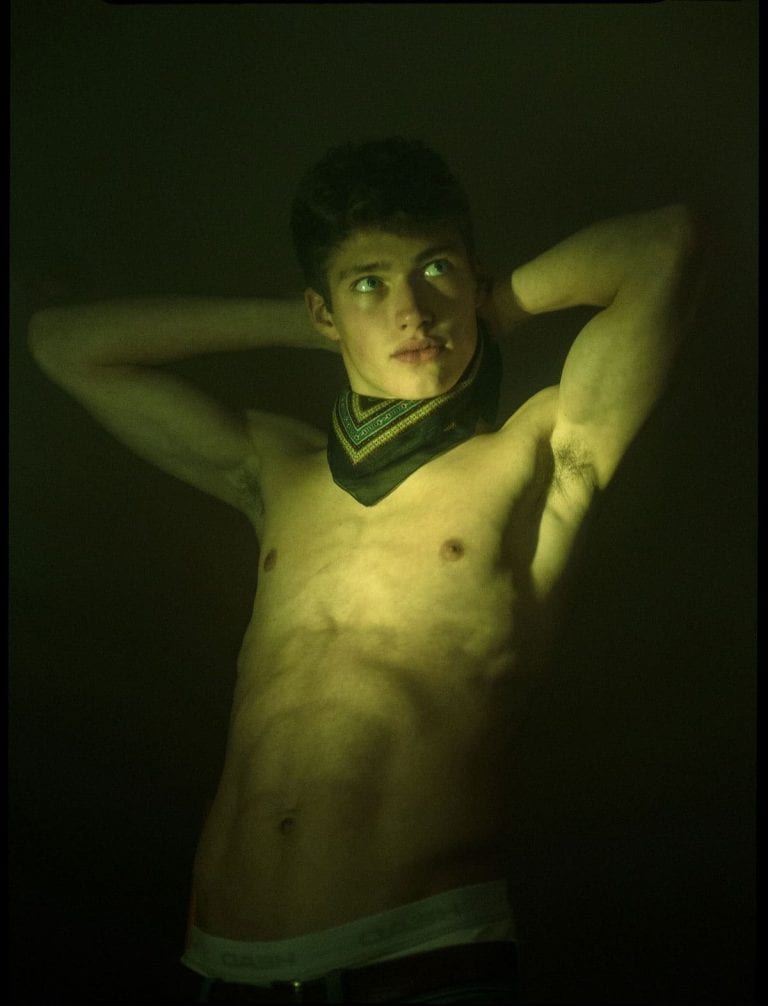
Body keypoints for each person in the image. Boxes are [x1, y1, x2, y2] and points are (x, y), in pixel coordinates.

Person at [28, 137, 701, 1003]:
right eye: (370, 284)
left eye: (435, 270)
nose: (412, 312)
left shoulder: (533, 453)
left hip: (419, 959)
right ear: (325, 310)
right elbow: (63, 343)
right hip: (224, 967)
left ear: (473, 277)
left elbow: (664, 244)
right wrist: (314, 322)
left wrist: (489, 306)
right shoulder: (278, 470)